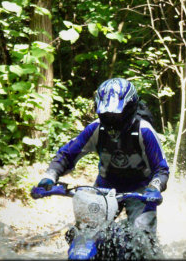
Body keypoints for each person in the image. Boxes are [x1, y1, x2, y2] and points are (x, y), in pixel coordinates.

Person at [36, 78, 169, 236]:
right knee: (85, 232)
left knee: (142, 236)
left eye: (117, 116)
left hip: (141, 191)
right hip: (105, 187)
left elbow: (161, 168)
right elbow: (67, 155)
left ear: (129, 109)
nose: (112, 121)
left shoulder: (144, 131)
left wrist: (154, 188)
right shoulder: (96, 129)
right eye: (107, 115)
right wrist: (50, 176)